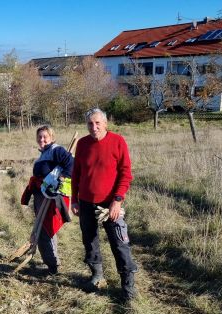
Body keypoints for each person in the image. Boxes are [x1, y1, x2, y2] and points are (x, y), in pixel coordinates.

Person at [71, 108, 139, 302]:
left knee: (120, 243)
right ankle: (97, 275)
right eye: (90, 124)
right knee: (90, 241)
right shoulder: (82, 144)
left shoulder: (118, 141)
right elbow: (76, 174)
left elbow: (126, 174)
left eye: (97, 123)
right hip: (85, 202)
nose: (94, 127)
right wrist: (74, 199)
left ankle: (128, 285)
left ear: (105, 123)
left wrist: (117, 201)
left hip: (110, 205)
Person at [20, 125, 74, 275]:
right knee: (43, 230)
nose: (42, 139)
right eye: (39, 137)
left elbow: (71, 164)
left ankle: (52, 266)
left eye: (45, 136)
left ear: (51, 137)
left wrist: (62, 178)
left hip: (50, 198)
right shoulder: (43, 154)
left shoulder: (55, 150)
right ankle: (52, 262)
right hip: (41, 196)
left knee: (45, 231)